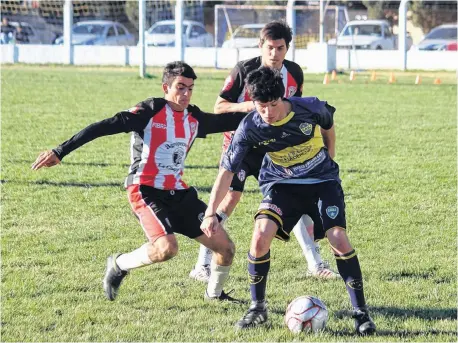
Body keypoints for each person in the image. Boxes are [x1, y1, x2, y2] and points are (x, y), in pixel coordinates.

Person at [31, 61, 248, 303]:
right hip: (145, 191)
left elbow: (230, 121)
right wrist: (60, 151)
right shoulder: (149, 111)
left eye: (190, 88)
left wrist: (270, 109)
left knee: (226, 248)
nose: (185, 94)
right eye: (180, 87)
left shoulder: (194, 118)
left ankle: (214, 295)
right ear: (165, 87)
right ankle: (118, 264)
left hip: (178, 193)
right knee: (167, 249)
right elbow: (103, 127)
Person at [200, 66, 376, 335]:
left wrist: (330, 156)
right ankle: (257, 308)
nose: (268, 113)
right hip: (282, 185)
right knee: (259, 236)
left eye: (272, 105)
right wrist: (211, 212)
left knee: (338, 238)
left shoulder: (311, 108)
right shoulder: (249, 126)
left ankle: (361, 314)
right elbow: (226, 172)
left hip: (322, 182)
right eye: (261, 106)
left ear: (282, 98)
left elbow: (328, 125)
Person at [189, 20, 338, 283]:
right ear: (261, 45)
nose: (274, 53)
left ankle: (315, 263)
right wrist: (251, 106)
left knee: (297, 195)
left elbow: (295, 107)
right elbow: (220, 106)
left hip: (276, 149)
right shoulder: (243, 70)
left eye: (280, 48)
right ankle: (202, 264)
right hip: (243, 146)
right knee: (230, 200)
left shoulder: (294, 72)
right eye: (269, 47)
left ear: (287, 48)